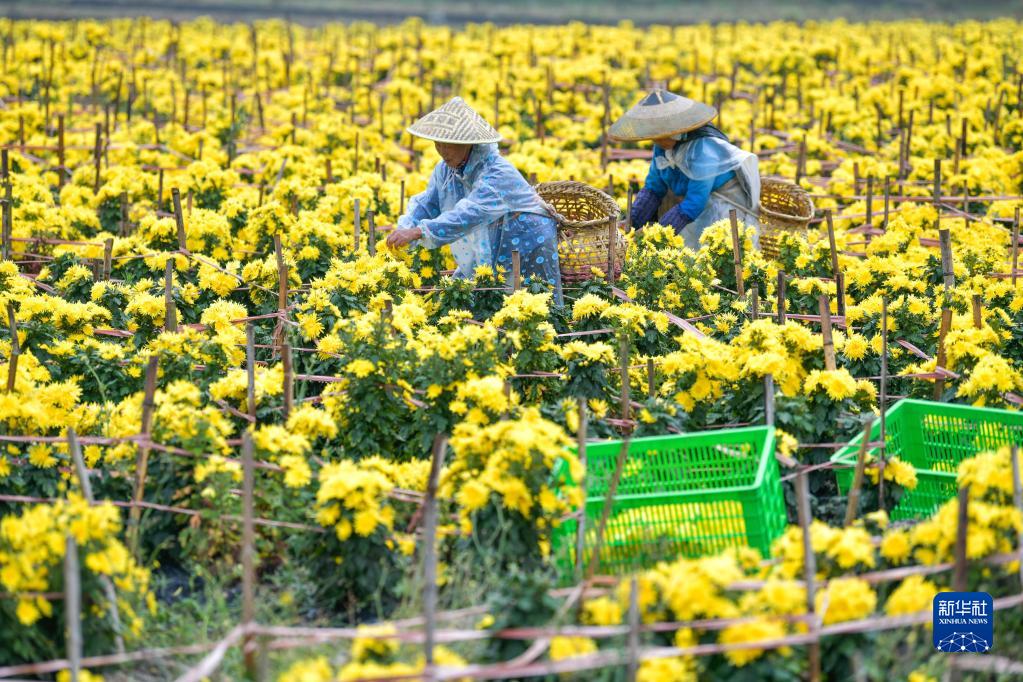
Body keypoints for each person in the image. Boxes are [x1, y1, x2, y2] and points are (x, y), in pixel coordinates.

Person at [385, 97, 563, 303]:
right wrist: (405, 226)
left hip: (527, 242)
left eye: (448, 144)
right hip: (493, 239)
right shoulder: (446, 169)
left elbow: (470, 213)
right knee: (480, 297)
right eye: (438, 144)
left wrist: (419, 231)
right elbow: (428, 203)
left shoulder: (496, 172)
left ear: (468, 143)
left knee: (532, 305)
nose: (442, 151)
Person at [609, 89, 760, 251]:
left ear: (676, 131)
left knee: (716, 249)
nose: (654, 139)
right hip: (692, 200)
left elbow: (695, 202)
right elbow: (654, 187)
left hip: (724, 200)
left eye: (659, 135)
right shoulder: (661, 147)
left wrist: (658, 233)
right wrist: (632, 221)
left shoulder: (703, 150)